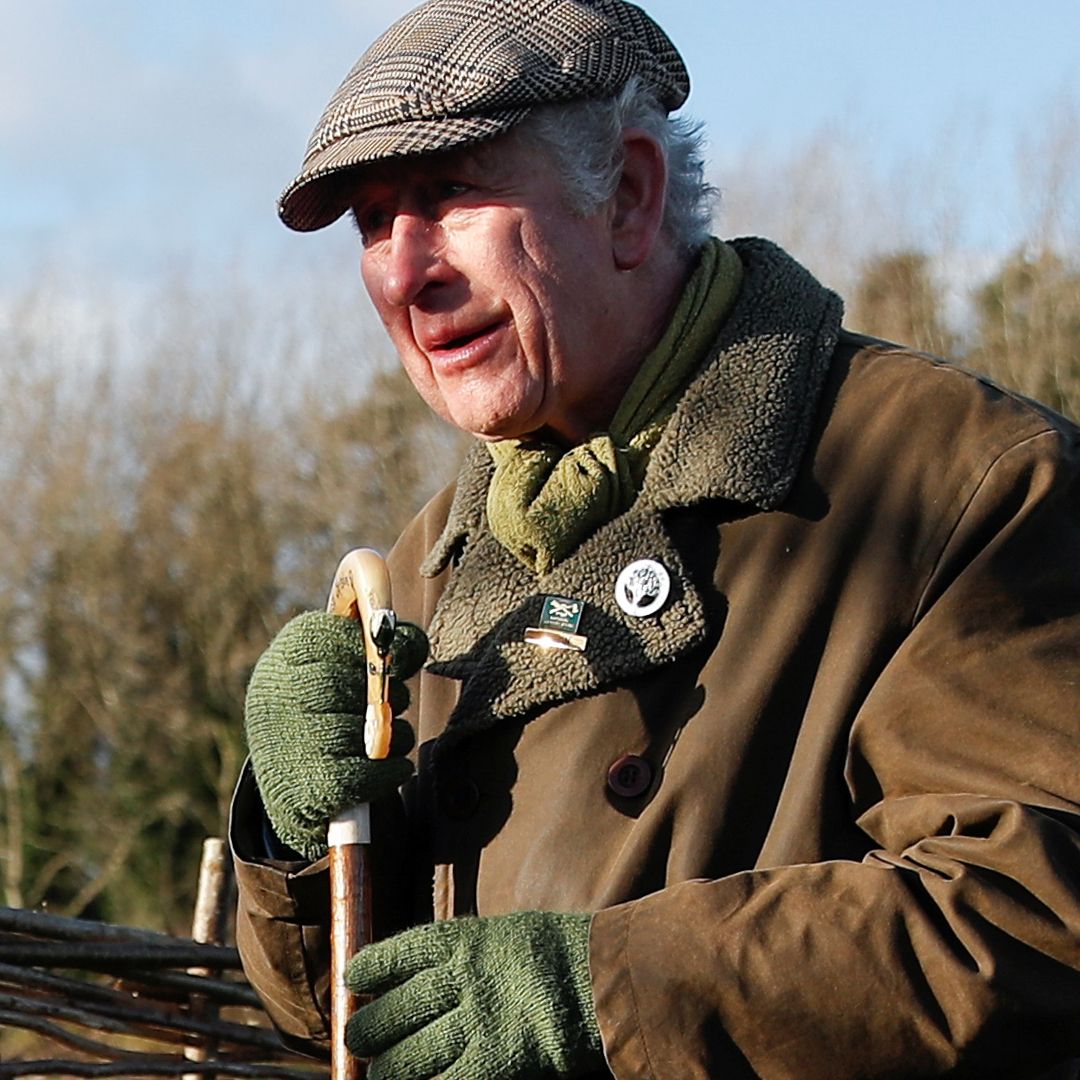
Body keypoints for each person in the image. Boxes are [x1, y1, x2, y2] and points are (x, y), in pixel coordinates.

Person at [230, 1, 1080, 1077]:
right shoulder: (422, 568)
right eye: (371, 222)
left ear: (629, 195)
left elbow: (1035, 918)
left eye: (449, 196)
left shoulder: (947, 482)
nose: (404, 273)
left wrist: (611, 992)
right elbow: (346, 1023)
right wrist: (303, 842)